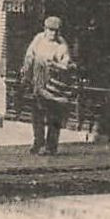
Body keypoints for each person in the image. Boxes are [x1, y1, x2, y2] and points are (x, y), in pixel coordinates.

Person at [21, 15, 76, 155]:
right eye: (50, 30)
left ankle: (51, 146)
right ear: (45, 29)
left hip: (54, 86)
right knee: (37, 115)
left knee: (54, 116)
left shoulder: (62, 45)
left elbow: (66, 64)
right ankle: (38, 142)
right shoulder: (38, 39)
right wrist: (26, 76)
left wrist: (56, 65)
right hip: (38, 83)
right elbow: (29, 57)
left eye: (56, 31)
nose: (53, 34)